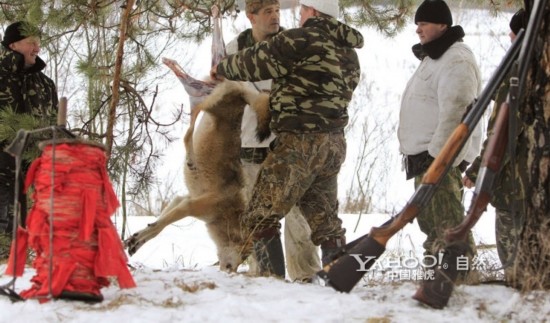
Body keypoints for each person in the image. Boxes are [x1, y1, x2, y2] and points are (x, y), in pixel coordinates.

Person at [211, 0, 363, 278]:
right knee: (325, 221)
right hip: (333, 144)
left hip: (298, 144)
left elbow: (256, 62)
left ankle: (272, 285)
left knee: (260, 216)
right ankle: (340, 281)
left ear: (314, 12)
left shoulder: (299, 39)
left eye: (304, 9)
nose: (299, 15)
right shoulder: (348, 52)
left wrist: (223, 67)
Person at [228, 0, 321, 281]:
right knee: (257, 217)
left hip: (287, 143)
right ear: (251, 17)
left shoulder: (290, 43)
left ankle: (306, 276)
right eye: (268, 11)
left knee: (298, 218)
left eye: (277, 11)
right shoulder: (235, 48)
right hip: (247, 145)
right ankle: (266, 278)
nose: (275, 17)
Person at [398, 0, 482, 263]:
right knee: (434, 228)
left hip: (439, 161)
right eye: (417, 24)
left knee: (449, 230)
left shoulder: (456, 59)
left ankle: (461, 279)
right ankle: (438, 279)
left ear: (442, 25)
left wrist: (438, 159)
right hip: (427, 161)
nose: (418, 30)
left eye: (423, 24)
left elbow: (456, 112)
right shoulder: (437, 55)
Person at [463, 8, 527, 282]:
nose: (509, 37)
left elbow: (500, 134)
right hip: (535, 187)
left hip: (515, 187)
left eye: (513, 32)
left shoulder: (519, 75)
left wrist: (476, 172)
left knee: (515, 266)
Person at [0, 21, 58, 260]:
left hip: (35, 167)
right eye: (31, 42)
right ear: (13, 44)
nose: (37, 47)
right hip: (2, 166)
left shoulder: (45, 84)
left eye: (39, 42)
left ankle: (27, 279)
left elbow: (54, 125)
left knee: (35, 227)